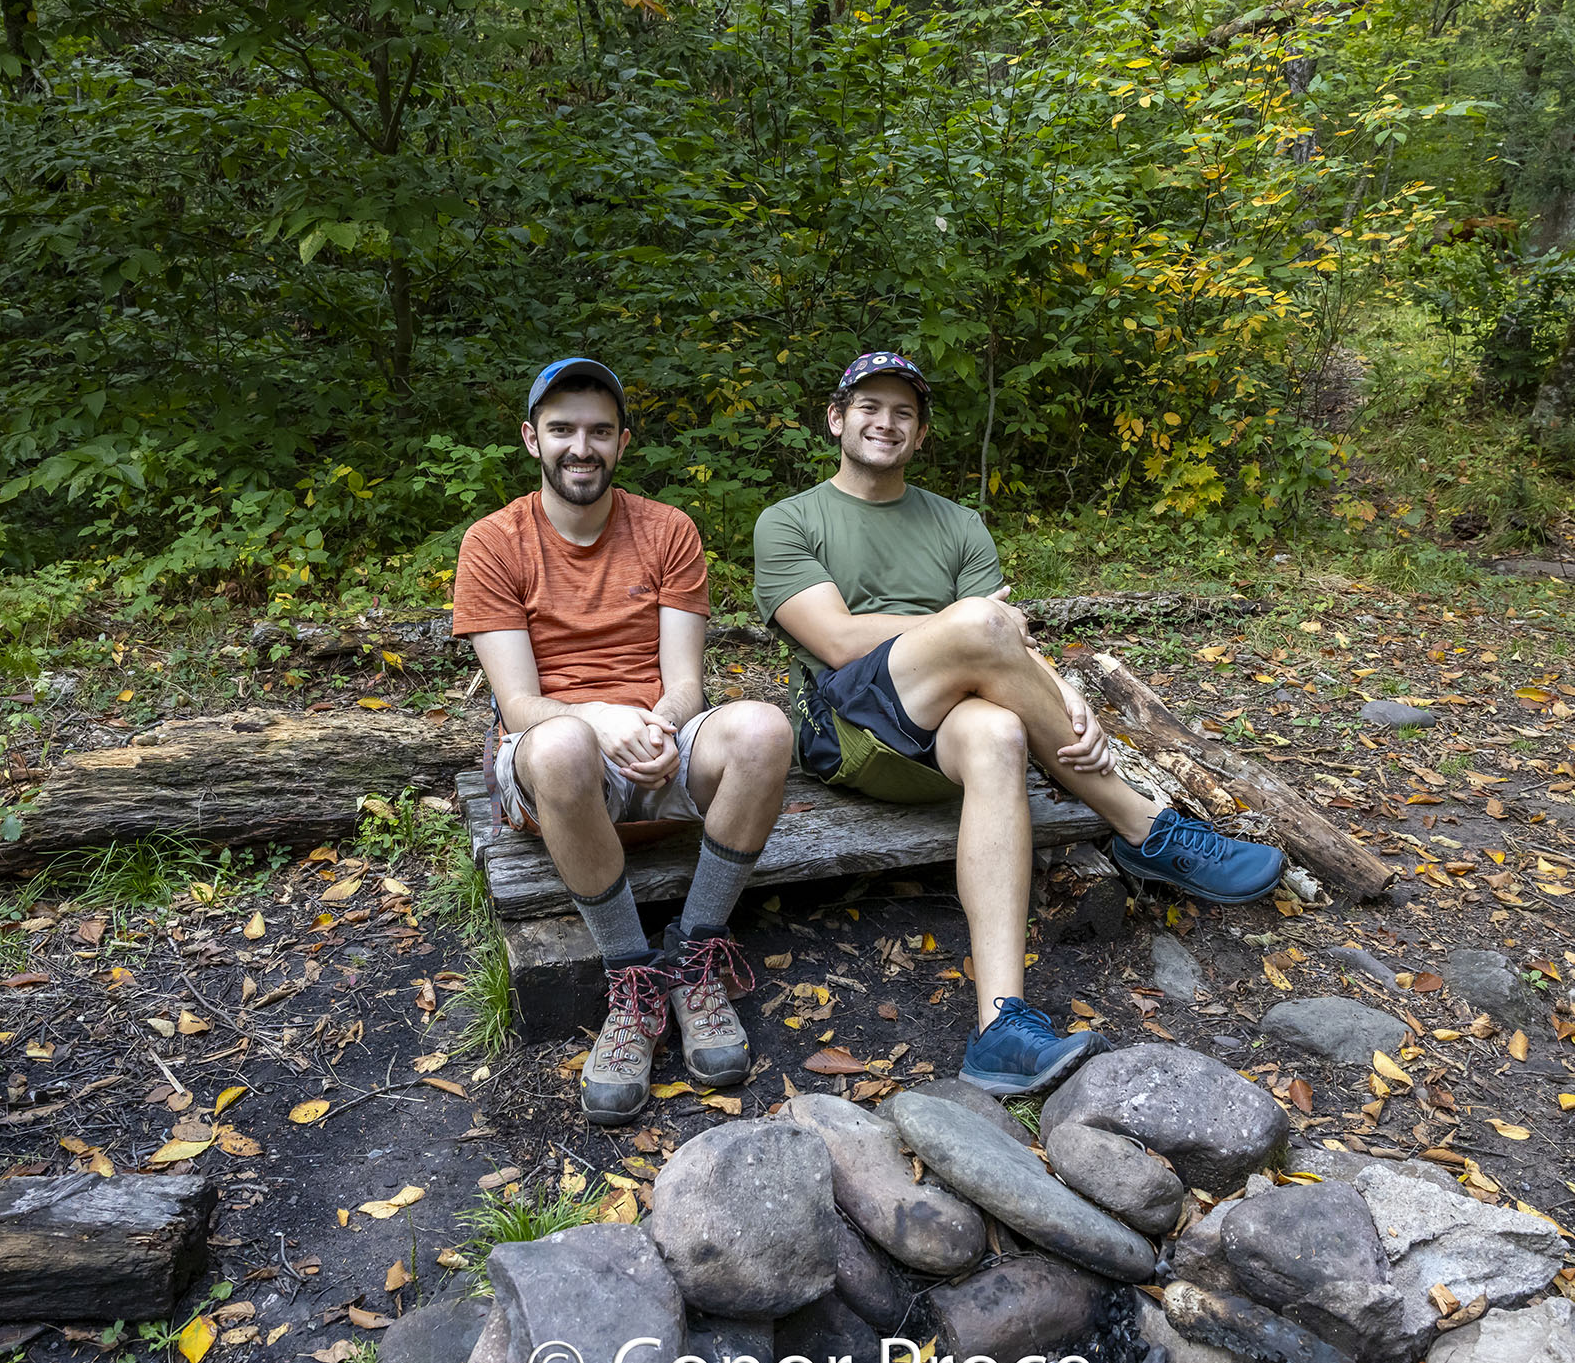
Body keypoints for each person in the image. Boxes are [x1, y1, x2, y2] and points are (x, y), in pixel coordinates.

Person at [754, 351, 1285, 1096]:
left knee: (1002, 734)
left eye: (904, 413)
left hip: (944, 733)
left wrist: (1064, 694)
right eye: (869, 407)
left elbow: (1011, 646)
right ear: (836, 419)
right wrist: (964, 624)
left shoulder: (957, 523)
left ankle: (1000, 1026)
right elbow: (839, 640)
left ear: (921, 433)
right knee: (978, 621)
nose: (886, 423)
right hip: (847, 730)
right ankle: (1145, 828)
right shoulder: (790, 520)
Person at [455, 358, 795, 1125]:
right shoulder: (494, 542)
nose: (582, 447)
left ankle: (695, 956)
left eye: (599, 431)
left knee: (763, 730)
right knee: (562, 747)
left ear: (622, 441)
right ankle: (631, 979)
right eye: (563, 430)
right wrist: (600, 718)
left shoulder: (668, 531)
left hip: (655, 745)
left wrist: (660, 726)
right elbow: (518, 705)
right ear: (532, 439)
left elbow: (686, 683)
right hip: (556, 766)